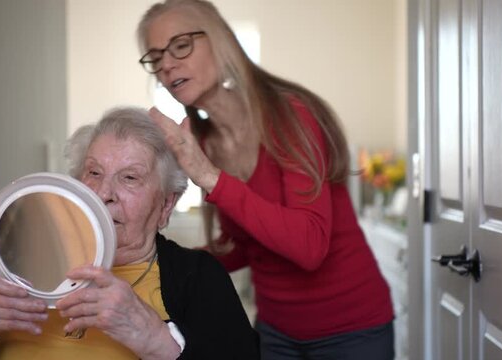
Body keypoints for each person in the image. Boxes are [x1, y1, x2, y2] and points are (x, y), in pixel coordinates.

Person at [136, 1, 395, 359]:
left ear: (220, 39)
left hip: (351, 333)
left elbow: (309, 247)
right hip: (276, 333)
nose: (166, 65)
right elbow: (246, 243)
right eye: (155, 57)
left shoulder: (290, 115)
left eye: (180, 45)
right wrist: (156, 259)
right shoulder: (206, 142)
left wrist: (211, 177)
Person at [0, 107, 260, 360]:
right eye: (94, 172)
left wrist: (156, 339)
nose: (104, 193)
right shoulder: (34, 263)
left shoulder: (197, 277)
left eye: (130, 178)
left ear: (165, 206)